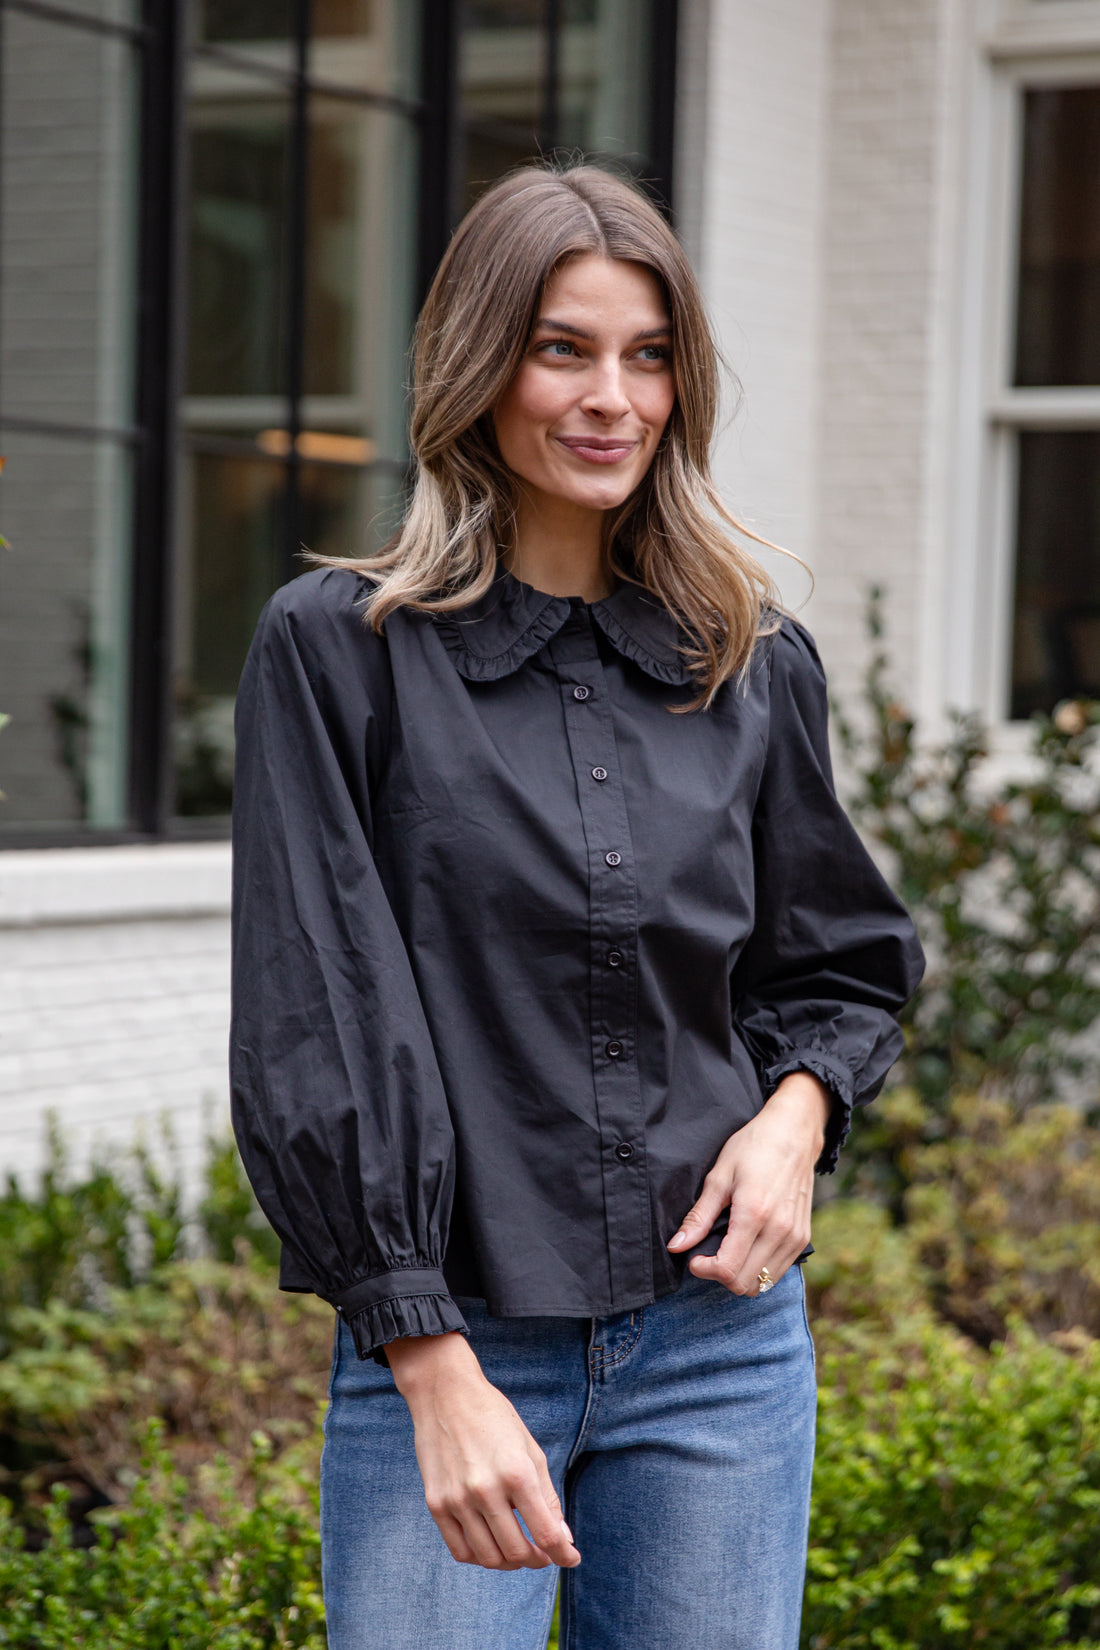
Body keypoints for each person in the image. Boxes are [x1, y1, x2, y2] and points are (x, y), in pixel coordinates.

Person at [229, 162, 924, 1650]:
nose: (614, 396)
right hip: (462, 1342)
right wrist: (427, 1361)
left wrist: (796, 1120)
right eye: (564, 348)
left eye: (650, 353)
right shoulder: (336, 656)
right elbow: (318, 1023)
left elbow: (842, 966)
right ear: (478, 366)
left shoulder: (752, 659)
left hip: (724, 1351)